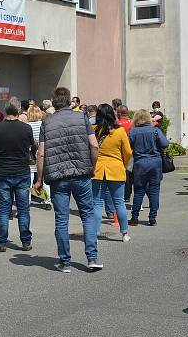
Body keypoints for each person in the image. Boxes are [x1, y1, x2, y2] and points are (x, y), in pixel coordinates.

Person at [34, 87, 101, 273]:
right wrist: (92, 168)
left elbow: (41, 154)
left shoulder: (47, 123)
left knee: (61, 219)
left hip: (57, 177)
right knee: (87, 215)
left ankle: (65, 262)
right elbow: (94, 146)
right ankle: (92, 258)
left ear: (54, 102)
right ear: (70, 100)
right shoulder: (82, 118)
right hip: (82, 174)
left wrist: (39, 179)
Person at [0, 97, 36, 252]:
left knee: (3, 209)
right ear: (18, 110)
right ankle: (26, 241)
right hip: (22, 172)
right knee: (23, 209)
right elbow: (32, 147)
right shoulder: (26, 128)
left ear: (6, 109)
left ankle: (1, 241)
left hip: (2, 171)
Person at [92, 104, 133, 242]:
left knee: (97, 203)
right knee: (119, 203)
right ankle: (124, 233)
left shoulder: (94, 131)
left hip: (98, 170)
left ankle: (95, 232)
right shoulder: (120, 131)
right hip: (116, 168)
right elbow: (127, 152)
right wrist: (123, 164)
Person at [127, 109, 169, 226]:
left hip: (140, 163)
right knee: (154, 190)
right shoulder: (155, 131)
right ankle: (152, 218)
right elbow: (165, 144)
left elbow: (126, 148)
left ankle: (134, 218)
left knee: (139, 191)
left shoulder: (132, 132)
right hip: (155, 163)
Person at [26, 105, 50, 208]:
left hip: (31, 157)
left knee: (29, 180)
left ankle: (27, 201)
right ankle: (47, 201)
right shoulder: (44, 125)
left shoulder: (27, 126)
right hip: (43, 155)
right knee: (44, 180)